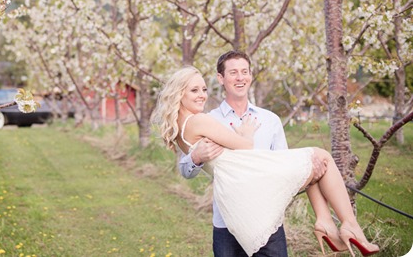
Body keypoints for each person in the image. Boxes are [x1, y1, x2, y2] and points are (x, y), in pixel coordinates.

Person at [152, 65, 380, 257]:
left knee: (309, 167)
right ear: (179, 93)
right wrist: (245, 133)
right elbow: (244, 146)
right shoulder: (202, 119)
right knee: (322, 156)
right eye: (194, 90)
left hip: (239, 186)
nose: (202, 94)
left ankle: (325, 222)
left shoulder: (179, 131)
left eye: (203, 89)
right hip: (249, 179)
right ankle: (349, 224)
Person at [179, 50, 293, 256]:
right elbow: (185, 170)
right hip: (226, 224)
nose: (240, 78)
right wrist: (196, 158)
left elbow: (283, 168)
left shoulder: (270, 121)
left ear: (250, 75)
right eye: (233, 73)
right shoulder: (207, 120)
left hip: (267, 222)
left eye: (244, 72)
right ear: (220, 78)